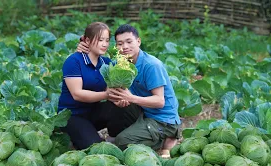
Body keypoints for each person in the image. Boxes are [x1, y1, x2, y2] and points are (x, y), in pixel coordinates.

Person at [77, 24, 181, 151]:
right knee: (114, 101)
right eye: (120, 43)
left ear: (138, 41)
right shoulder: (121, 62)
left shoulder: (152, 65)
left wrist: (130, 98)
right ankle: (125, 134)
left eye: (129, 42)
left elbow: (160, 102)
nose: (124, 47)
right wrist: (87, 48)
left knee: (122, 141)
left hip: (163, 119)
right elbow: (98, 63)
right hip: (144, 111)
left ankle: (165, 138)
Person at [58, 22, 141, 150]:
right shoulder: (74, 61)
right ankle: (74, 136)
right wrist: (107, 95)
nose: (104, 44)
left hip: (93, 112)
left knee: (121, 105)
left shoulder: (106, 63)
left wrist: (118, 99)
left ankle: (114, 138)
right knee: (95, 148)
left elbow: (111, 88)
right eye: (100, 40)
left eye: (107, 40)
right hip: (72, 116)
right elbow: (77, 94)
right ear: (87, 40)